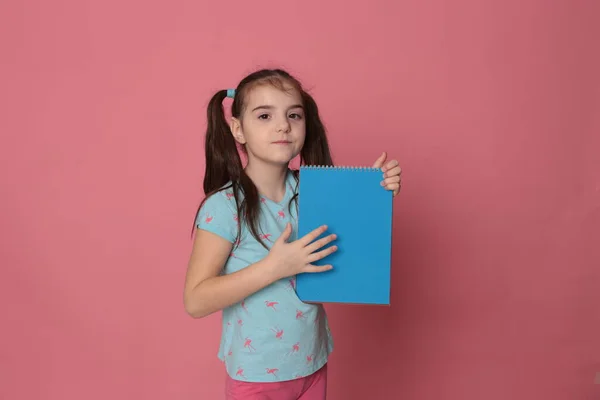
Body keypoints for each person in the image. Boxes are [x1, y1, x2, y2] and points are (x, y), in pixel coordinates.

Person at [184, 68, 402, 400]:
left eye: (293, 115)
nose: (283, 125)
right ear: (238, 129)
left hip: (312, 363)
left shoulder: (313, 192)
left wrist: (376, 193)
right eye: (264, 115)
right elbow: (196, 300)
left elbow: (347, 256)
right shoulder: (224, 206)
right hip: (256, 375)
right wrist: (275, 267)